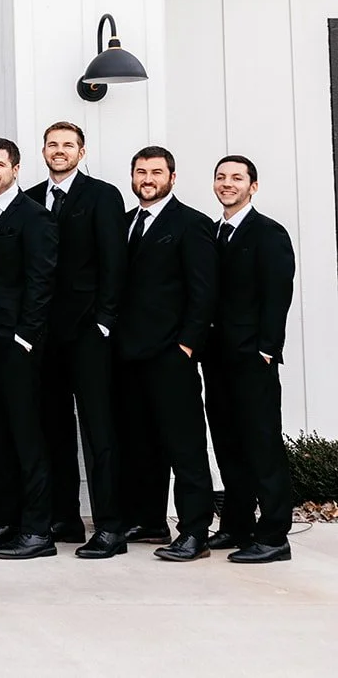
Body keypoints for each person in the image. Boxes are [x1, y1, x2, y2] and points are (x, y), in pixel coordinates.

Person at [22, 122, 127, 558]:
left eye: (68, 145)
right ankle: (64, 517)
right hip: (45, 335)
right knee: (54, 429)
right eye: (53, 144)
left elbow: (114, 262)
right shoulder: (30, 198)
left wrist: (104, 322)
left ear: (81, 152)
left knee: (99, 431)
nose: (59, 150)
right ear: (43, 150)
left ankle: (111, 527)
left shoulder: (102, 196)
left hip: (88, 333)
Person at [115, 146, 218, 561]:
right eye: (141, 171)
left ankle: (195, 530)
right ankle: (149, 520)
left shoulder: (191, 224)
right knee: (140, 442)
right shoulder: (124, 223)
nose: (147, 179)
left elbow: (204, 292)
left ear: (172, 178)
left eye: (156, 172)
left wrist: (186, 345)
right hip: (128, 354)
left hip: (171, 354)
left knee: (184, 444)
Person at [0, 139, 58, 560]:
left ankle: (37, 531)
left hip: (19, 346)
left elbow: (42, 281)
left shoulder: (35, 217)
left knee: (26, 437)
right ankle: (7, 522)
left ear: (16, 169)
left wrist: (25, 336)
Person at [203, 155, 296, 563]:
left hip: (253, 359)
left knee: (262, 445)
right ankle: (237, 525)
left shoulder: (268, 233)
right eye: (221, 177)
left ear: (252, 186)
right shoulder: (212, 232)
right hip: (216, 358)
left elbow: (278, 296)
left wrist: (266, 349)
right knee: (228, 443)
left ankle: (274, 535)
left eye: (237, 178)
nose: (227, 183)